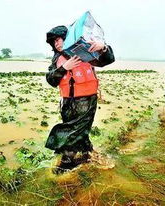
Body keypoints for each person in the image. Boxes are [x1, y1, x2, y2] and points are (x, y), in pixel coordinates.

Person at [44, 25, 115, 173]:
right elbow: (51, 79)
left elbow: (107, 60)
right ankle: (88, 154)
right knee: (78, 132)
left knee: (73, 134)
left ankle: (64, 167)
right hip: (67, 103)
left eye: (59, 40)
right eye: (54, 42)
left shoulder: (84, 51)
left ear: (67, 38)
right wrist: (64, 67)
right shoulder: (57, 58)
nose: (56, 44)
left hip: (86, 101)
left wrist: (103, 47)